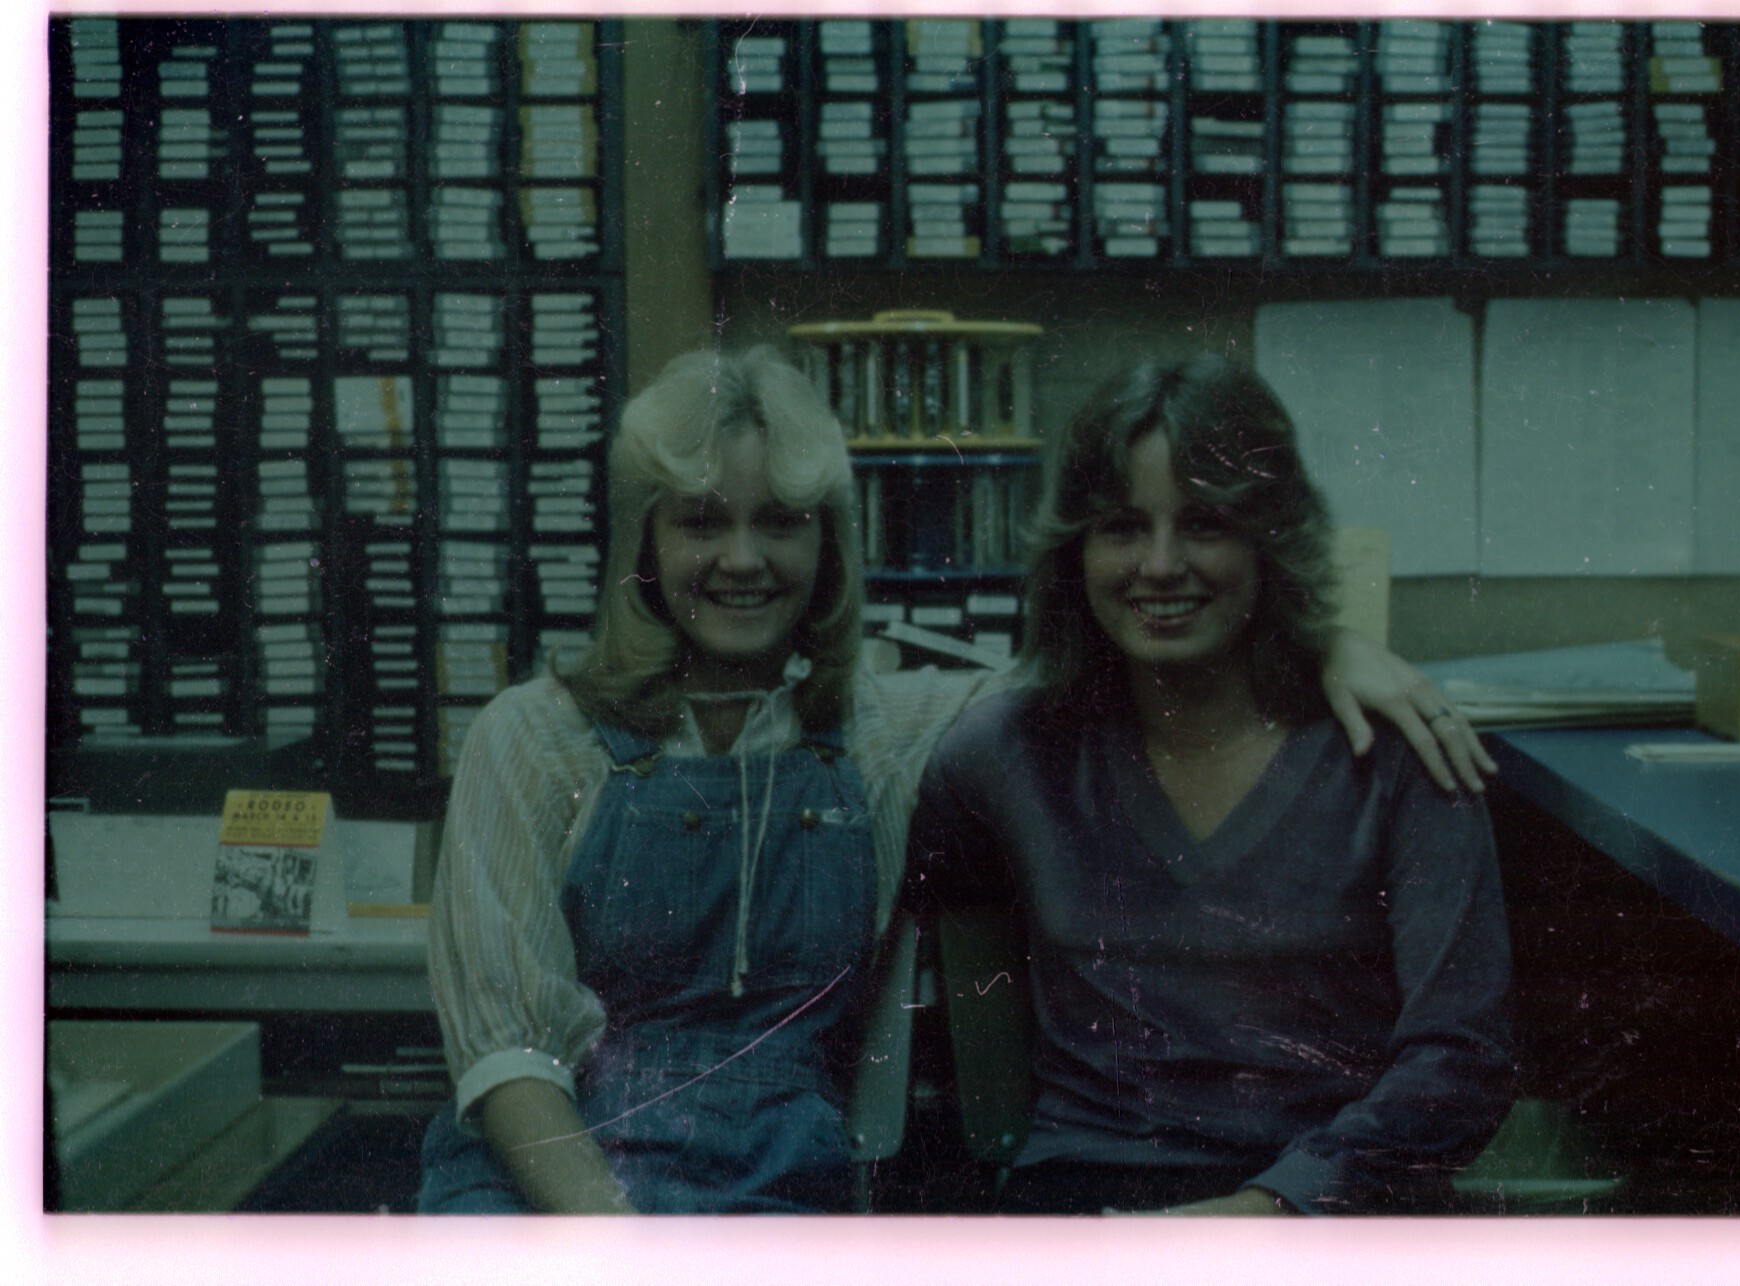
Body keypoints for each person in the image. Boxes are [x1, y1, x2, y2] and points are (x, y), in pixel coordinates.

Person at [417, 346, 1492, 1215]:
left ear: (828, 544)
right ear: (643, 540)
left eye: (781, 521)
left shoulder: (882, 736)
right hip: (545, 1194)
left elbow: (1131, 646)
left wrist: (1329, 642)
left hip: (777, 1188)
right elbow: (507, 1052)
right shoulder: (531, 740)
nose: (743, 558)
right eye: (703, 519)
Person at [907, 354, 1514, 1216]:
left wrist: (1269, 1211)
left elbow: (1463, 1062)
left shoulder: (1397, 755)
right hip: (1085, 1196)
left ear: (1270, 541)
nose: (1160, 565)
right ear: (1075, 550)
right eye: (1123, 527)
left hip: (1324, 1200)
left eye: (1205, 525)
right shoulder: (1002, 756)